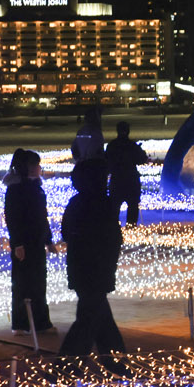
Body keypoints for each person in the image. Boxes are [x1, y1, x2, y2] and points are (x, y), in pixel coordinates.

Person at [59, 157, 128, 372]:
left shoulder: (77, 202)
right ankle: (68, 364)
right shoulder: (103, 203)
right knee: (89, 317)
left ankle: (114, 358)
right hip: (97, 268)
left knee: (98, 314)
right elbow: (112, 237)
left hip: (81, 267)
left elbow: (65, 232)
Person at [3, 148, 55, 334]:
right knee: (22, 283)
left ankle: (41, 322)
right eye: (36, 165)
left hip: (37, 242)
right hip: (23, 243)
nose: (39, 168)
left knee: (39, 282)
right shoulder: (16, 189)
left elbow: (42, 216)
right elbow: (12, 218)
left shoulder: (36, 188)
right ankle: (20, 323)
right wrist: (17, 244)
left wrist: (48, 240)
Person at [105, 120, 149, 225]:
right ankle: (131, 227)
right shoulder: (132, 145)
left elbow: (107, 161)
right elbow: (142, 159)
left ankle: (114, 228)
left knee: (114, 209)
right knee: (132, 207)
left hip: (117, 180)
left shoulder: (112, 145)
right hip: (131, 180)